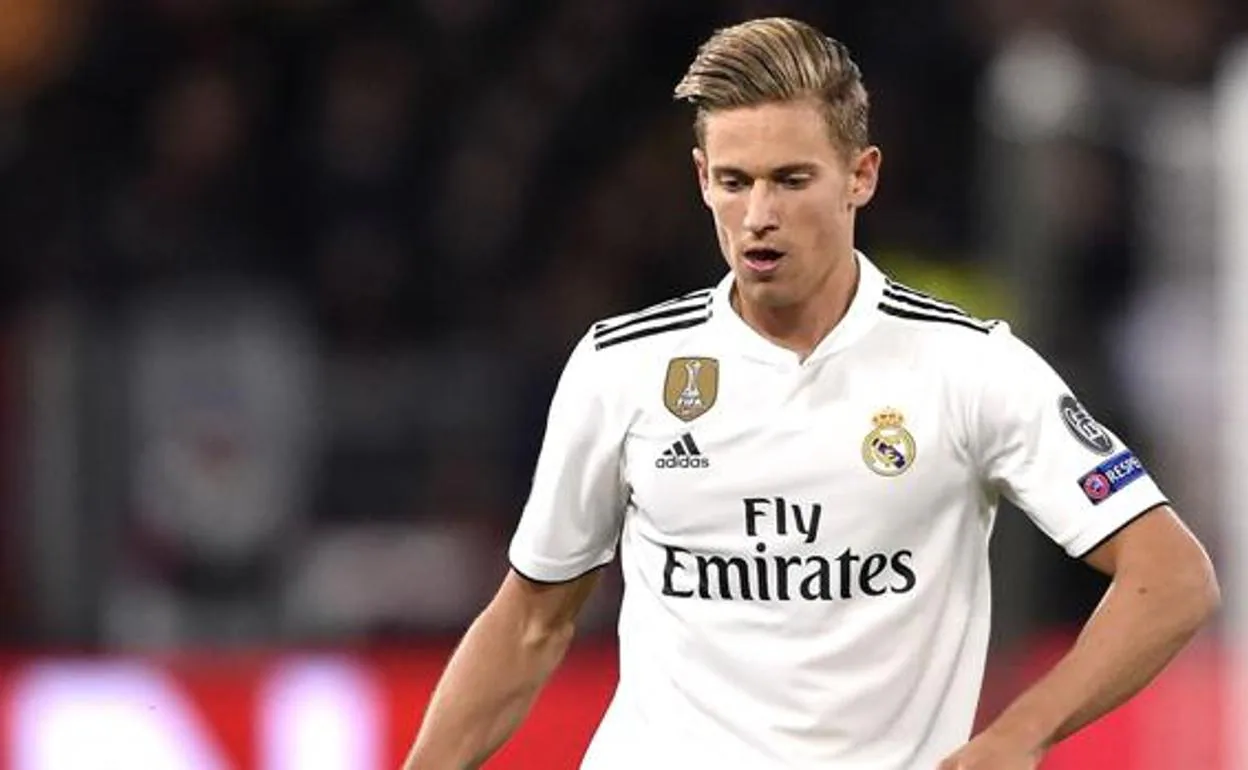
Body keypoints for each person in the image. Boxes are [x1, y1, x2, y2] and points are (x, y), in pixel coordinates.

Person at [402, 16, 1220, 770]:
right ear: (700, 179)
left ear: (860, 176)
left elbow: (1172, 577)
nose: (758, 214)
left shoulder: (970, 369)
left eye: (792, 179)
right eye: (734, 180)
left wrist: (1020, 734)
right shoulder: (623, 367)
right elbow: (530, 621)